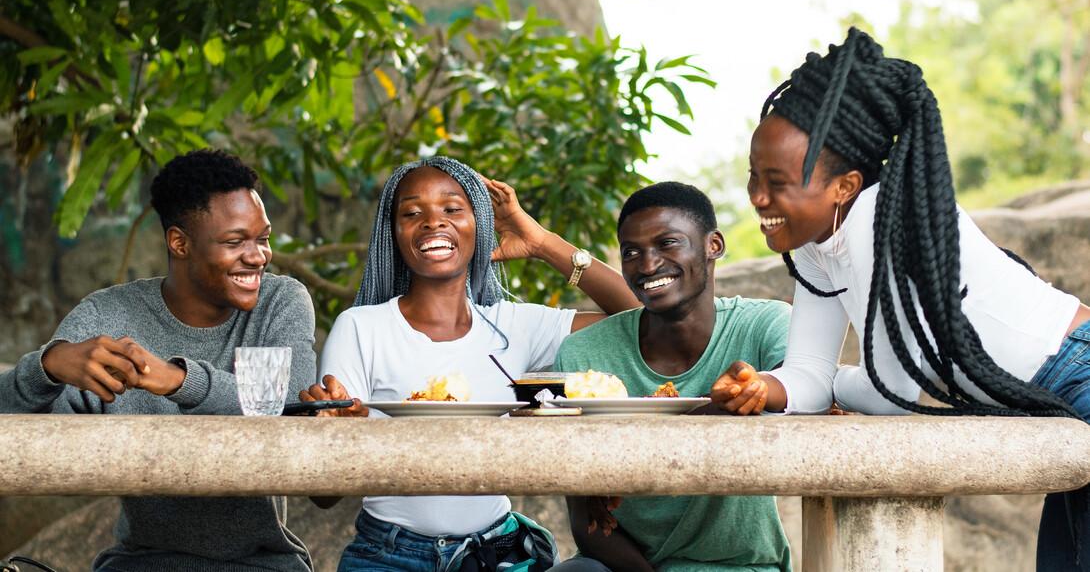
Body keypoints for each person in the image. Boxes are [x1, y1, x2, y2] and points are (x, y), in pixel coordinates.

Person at [710, 27, 1090, 570]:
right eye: (753, 178)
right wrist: (764, 386)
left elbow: (887, 391)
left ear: (845, 185)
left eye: (778, 181)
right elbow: (810, 373)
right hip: (1058, 392)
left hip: (1079, 371)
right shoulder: (819, 244)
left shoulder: (876, 221)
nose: (758, 199)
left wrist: (829, 384)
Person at [301, 155, 640, 572]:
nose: (432, 222)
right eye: (412, 212)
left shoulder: (512, 326)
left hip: (496, 555)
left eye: (452, 208)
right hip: (390, 555)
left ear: (478, 224)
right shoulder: (362, 328)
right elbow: (323, 496)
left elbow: (638, 320)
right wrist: (338, 439)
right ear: (393, 234)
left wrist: (542, 243)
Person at [0, 149, 317, 571]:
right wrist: (47, 367)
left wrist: (179, 380)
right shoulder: (109, 316)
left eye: (263, 238)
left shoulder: (281, 302)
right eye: (235, 241)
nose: (258, 255)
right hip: (141, 562)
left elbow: (293, 410)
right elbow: (22, 421)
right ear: (179, 242)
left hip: (264, 564)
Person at [544, 182, 792, 572]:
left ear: (714, 245)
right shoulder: (584, 355)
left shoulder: (763, 327)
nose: (647, 265)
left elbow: (802, 387)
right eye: (631, 252)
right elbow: (587, 521)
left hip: (737, 565)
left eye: (668, 244)